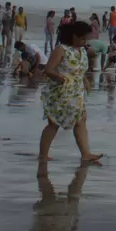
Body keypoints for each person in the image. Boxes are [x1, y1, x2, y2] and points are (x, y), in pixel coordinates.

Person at [38, 20, 103, 164]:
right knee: (54, 123)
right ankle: (43, 155)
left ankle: (86, 154)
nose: (85, 41)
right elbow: (48, 69)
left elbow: (80, 69)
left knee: (81, 120)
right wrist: (59, 77)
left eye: (86, 38)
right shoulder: (62, 49)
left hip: (77, 92)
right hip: (60, 92)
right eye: (82, 38)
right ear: (73, 36)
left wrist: (85, 80)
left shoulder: (82, 50)